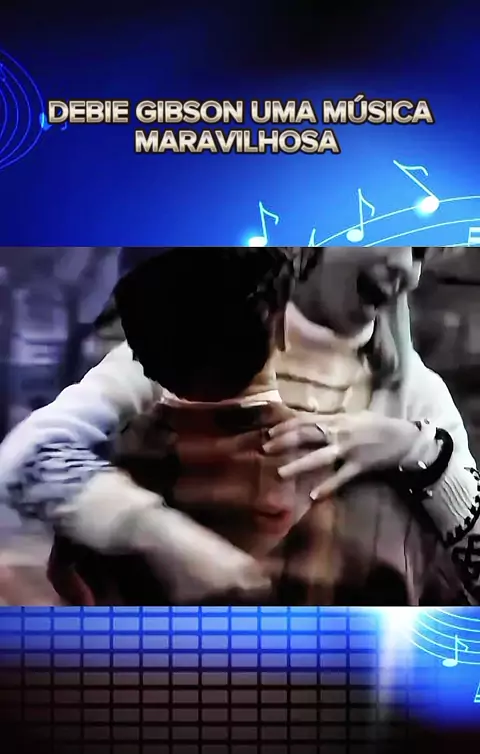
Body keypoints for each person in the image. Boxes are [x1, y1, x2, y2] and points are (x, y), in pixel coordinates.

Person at [0, 247, 477, 603]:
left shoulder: (416, 394)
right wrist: (168, 539)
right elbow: (26, 455)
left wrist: (424, 452)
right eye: (395, 240)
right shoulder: (191, 338)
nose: (408, 271)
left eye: (421, 253)